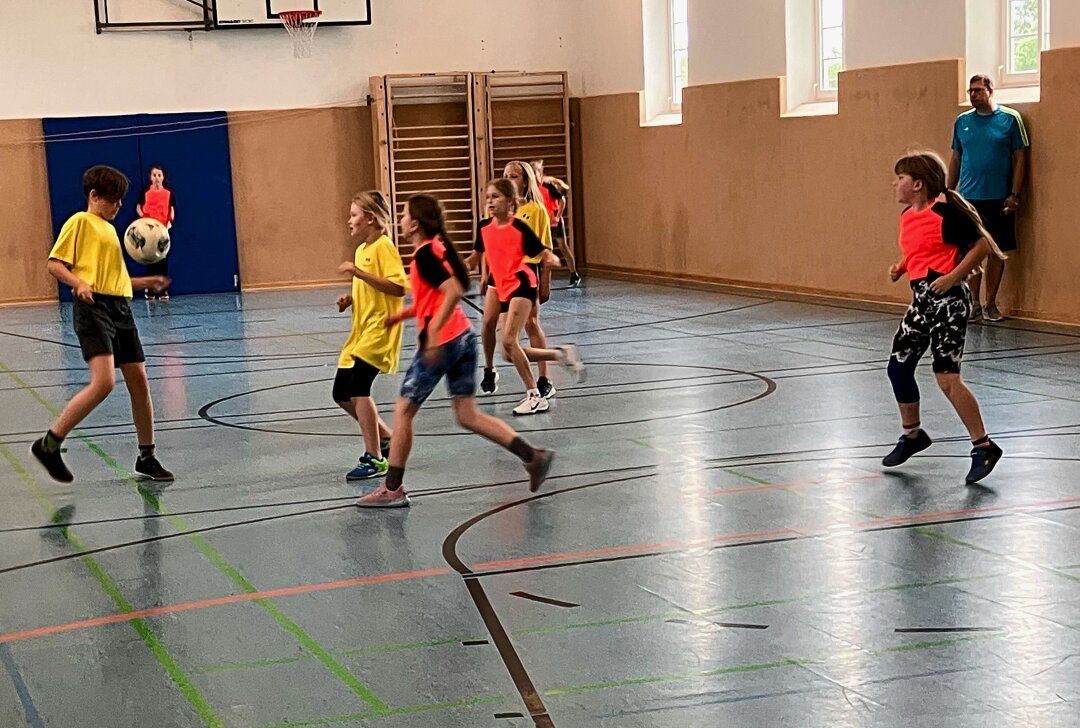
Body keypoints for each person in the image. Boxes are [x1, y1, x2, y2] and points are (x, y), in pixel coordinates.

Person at [355, 194, 555, 508]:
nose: (400, 220)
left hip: (445, 341)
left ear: (415, 224)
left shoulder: (424, 254)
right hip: (463, 337)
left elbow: (453, 291)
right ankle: (533, 457)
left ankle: (392, 488)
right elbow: (435, 298)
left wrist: (433, 333)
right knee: (467, 414)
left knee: (403, 412)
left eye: (405, 215)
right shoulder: (437, 248)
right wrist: (401, 316)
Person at [31, 165, 172, 484]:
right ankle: (49, 444)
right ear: (94, 196)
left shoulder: (110, 231)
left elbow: (115, 280)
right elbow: (54, 264)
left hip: (119, 308)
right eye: (114, 200)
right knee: (104, 382)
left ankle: (147, 457)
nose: (119, 206)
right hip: (93, 309)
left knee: (139, 382)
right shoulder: (79, 222)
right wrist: (77, 283)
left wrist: (146, 281)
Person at [883, 150, 1007, 484]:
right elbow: (921, 249)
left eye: (901, 179)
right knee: (898, 367)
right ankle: (912, 435)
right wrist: (903, 266)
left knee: (947, 379)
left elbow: (983, 246)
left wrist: (954, 277)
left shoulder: (945, 212)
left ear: (918, 184)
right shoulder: (909, 215)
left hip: (949, 302)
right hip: (922, 301)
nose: (895, 184)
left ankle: (984, 446)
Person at [466, 178, 585, 416]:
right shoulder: (484, 227)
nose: (490, 201)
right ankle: (559, 354)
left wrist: (550, 260)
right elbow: (475, 258)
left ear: (510, 201)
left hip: (522, 283)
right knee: (507, 353)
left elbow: (542, 252)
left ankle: (534, 395)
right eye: (488, 196)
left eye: (496, 196)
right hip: (500, 284)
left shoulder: (519, 228)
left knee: (510, 340)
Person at [334, 191, 407, 480]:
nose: (349, 220)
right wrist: (351, 298)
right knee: (341, 392)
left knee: (358, 388)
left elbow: (398, 288)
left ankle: (375, 458)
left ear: (370, 219)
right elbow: (369, 288)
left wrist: (359, 275)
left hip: (381, 329)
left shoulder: (383, 247)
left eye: (354, 215)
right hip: (361, 330)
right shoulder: (362, 250)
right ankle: (387, 438)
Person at [947, 74, 1029, 322]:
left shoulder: (1010, 120)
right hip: (969, 198)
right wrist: (949, 191)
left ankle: (990, 303)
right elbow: (955, 158)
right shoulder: (962, 122)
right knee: (972, 252)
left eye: (978, 91)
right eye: (970, 91)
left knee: (996, 251)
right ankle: (973, 303)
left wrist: (1014, 193)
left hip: (999, 198)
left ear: (991, 91)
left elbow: (1020, 158)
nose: (973, 95)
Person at [480, 161, 556, 400]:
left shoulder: (536, 210)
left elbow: (544, 248)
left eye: (514, 176)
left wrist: (545, 282)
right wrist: (484, 274)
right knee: (489, 324)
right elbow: (487, 244)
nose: (509, 179)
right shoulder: (495, 210)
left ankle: (544, 379)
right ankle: (489, 369)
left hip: (524, 273)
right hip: (499, 275)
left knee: (530, 324)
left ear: (525, 180)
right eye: (505, 176)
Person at [532, 159, 580, 287]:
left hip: (554, 223)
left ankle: (574, 274)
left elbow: (562, 200)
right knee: (542, 250)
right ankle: (540, 279)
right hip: (543, 224)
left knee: (563, 247)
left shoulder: (548, 186)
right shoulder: (532, 190)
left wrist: (558, 216)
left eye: (535, 173)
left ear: (540, 174)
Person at [135, 165, 176, 301]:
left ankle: (163, 290)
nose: (157, 178)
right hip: (148, 231)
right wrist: (144, 221)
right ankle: (150, 289)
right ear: (150, 177)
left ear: (163, 177)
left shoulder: (168, 193)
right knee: (150, 260)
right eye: (154, 175)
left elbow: (171, 209)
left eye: (159, 175)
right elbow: (139, 207)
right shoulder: (145, 192)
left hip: (162, 231)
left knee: (162, 260)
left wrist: (169, 223)